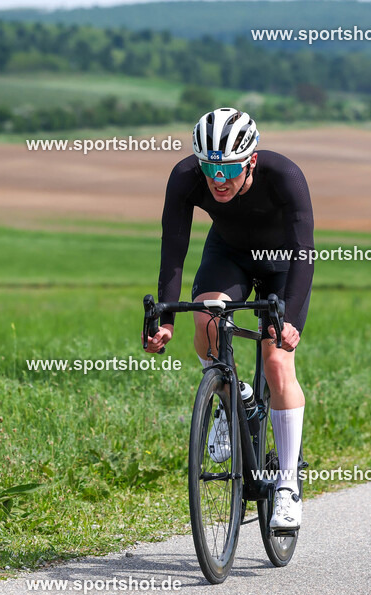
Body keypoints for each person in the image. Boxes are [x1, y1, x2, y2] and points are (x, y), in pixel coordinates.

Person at [142, 108, 314, 530]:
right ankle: (229, 398)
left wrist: (287, 318)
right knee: (208, 317)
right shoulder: (185, 177)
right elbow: (174, 247)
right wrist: (166, 318)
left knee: (276, 361)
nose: (218, 180)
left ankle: (288, 487)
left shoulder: (285, 176)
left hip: (282, 263)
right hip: (230, 254)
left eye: (230, 170)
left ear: (251, 160)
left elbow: (304, 250)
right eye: (209, 169)